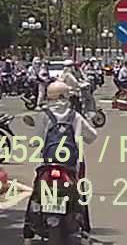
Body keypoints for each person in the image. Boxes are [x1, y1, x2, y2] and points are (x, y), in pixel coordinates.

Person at [23, 81, 99, 240]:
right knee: (80, 193)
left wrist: (33, 143)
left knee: (37, 191)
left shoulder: (44, 115)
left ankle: (28, 232)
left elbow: (36, 140)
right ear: (67, 96)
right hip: (71, 165)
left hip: (48, 165)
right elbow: (92, 136)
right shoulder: (75, 116)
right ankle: (85, 229)